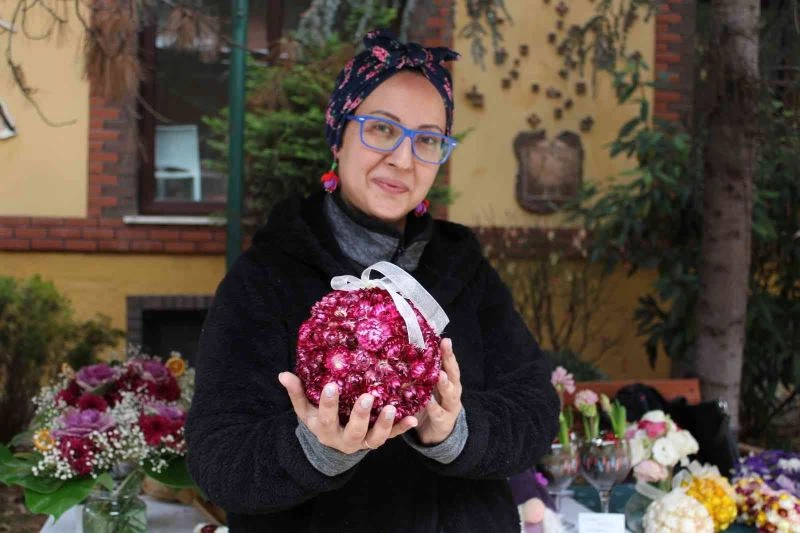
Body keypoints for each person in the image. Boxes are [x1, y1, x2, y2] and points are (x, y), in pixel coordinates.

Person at [185, 29, 559, 533]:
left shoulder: (463, 270)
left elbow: (534, 412)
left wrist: (455, 432)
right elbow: (218, 460)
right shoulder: (267, 277)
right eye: (382, 129)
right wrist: (313, 450)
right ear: (338, 136)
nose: (403, 160)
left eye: (427, 139)